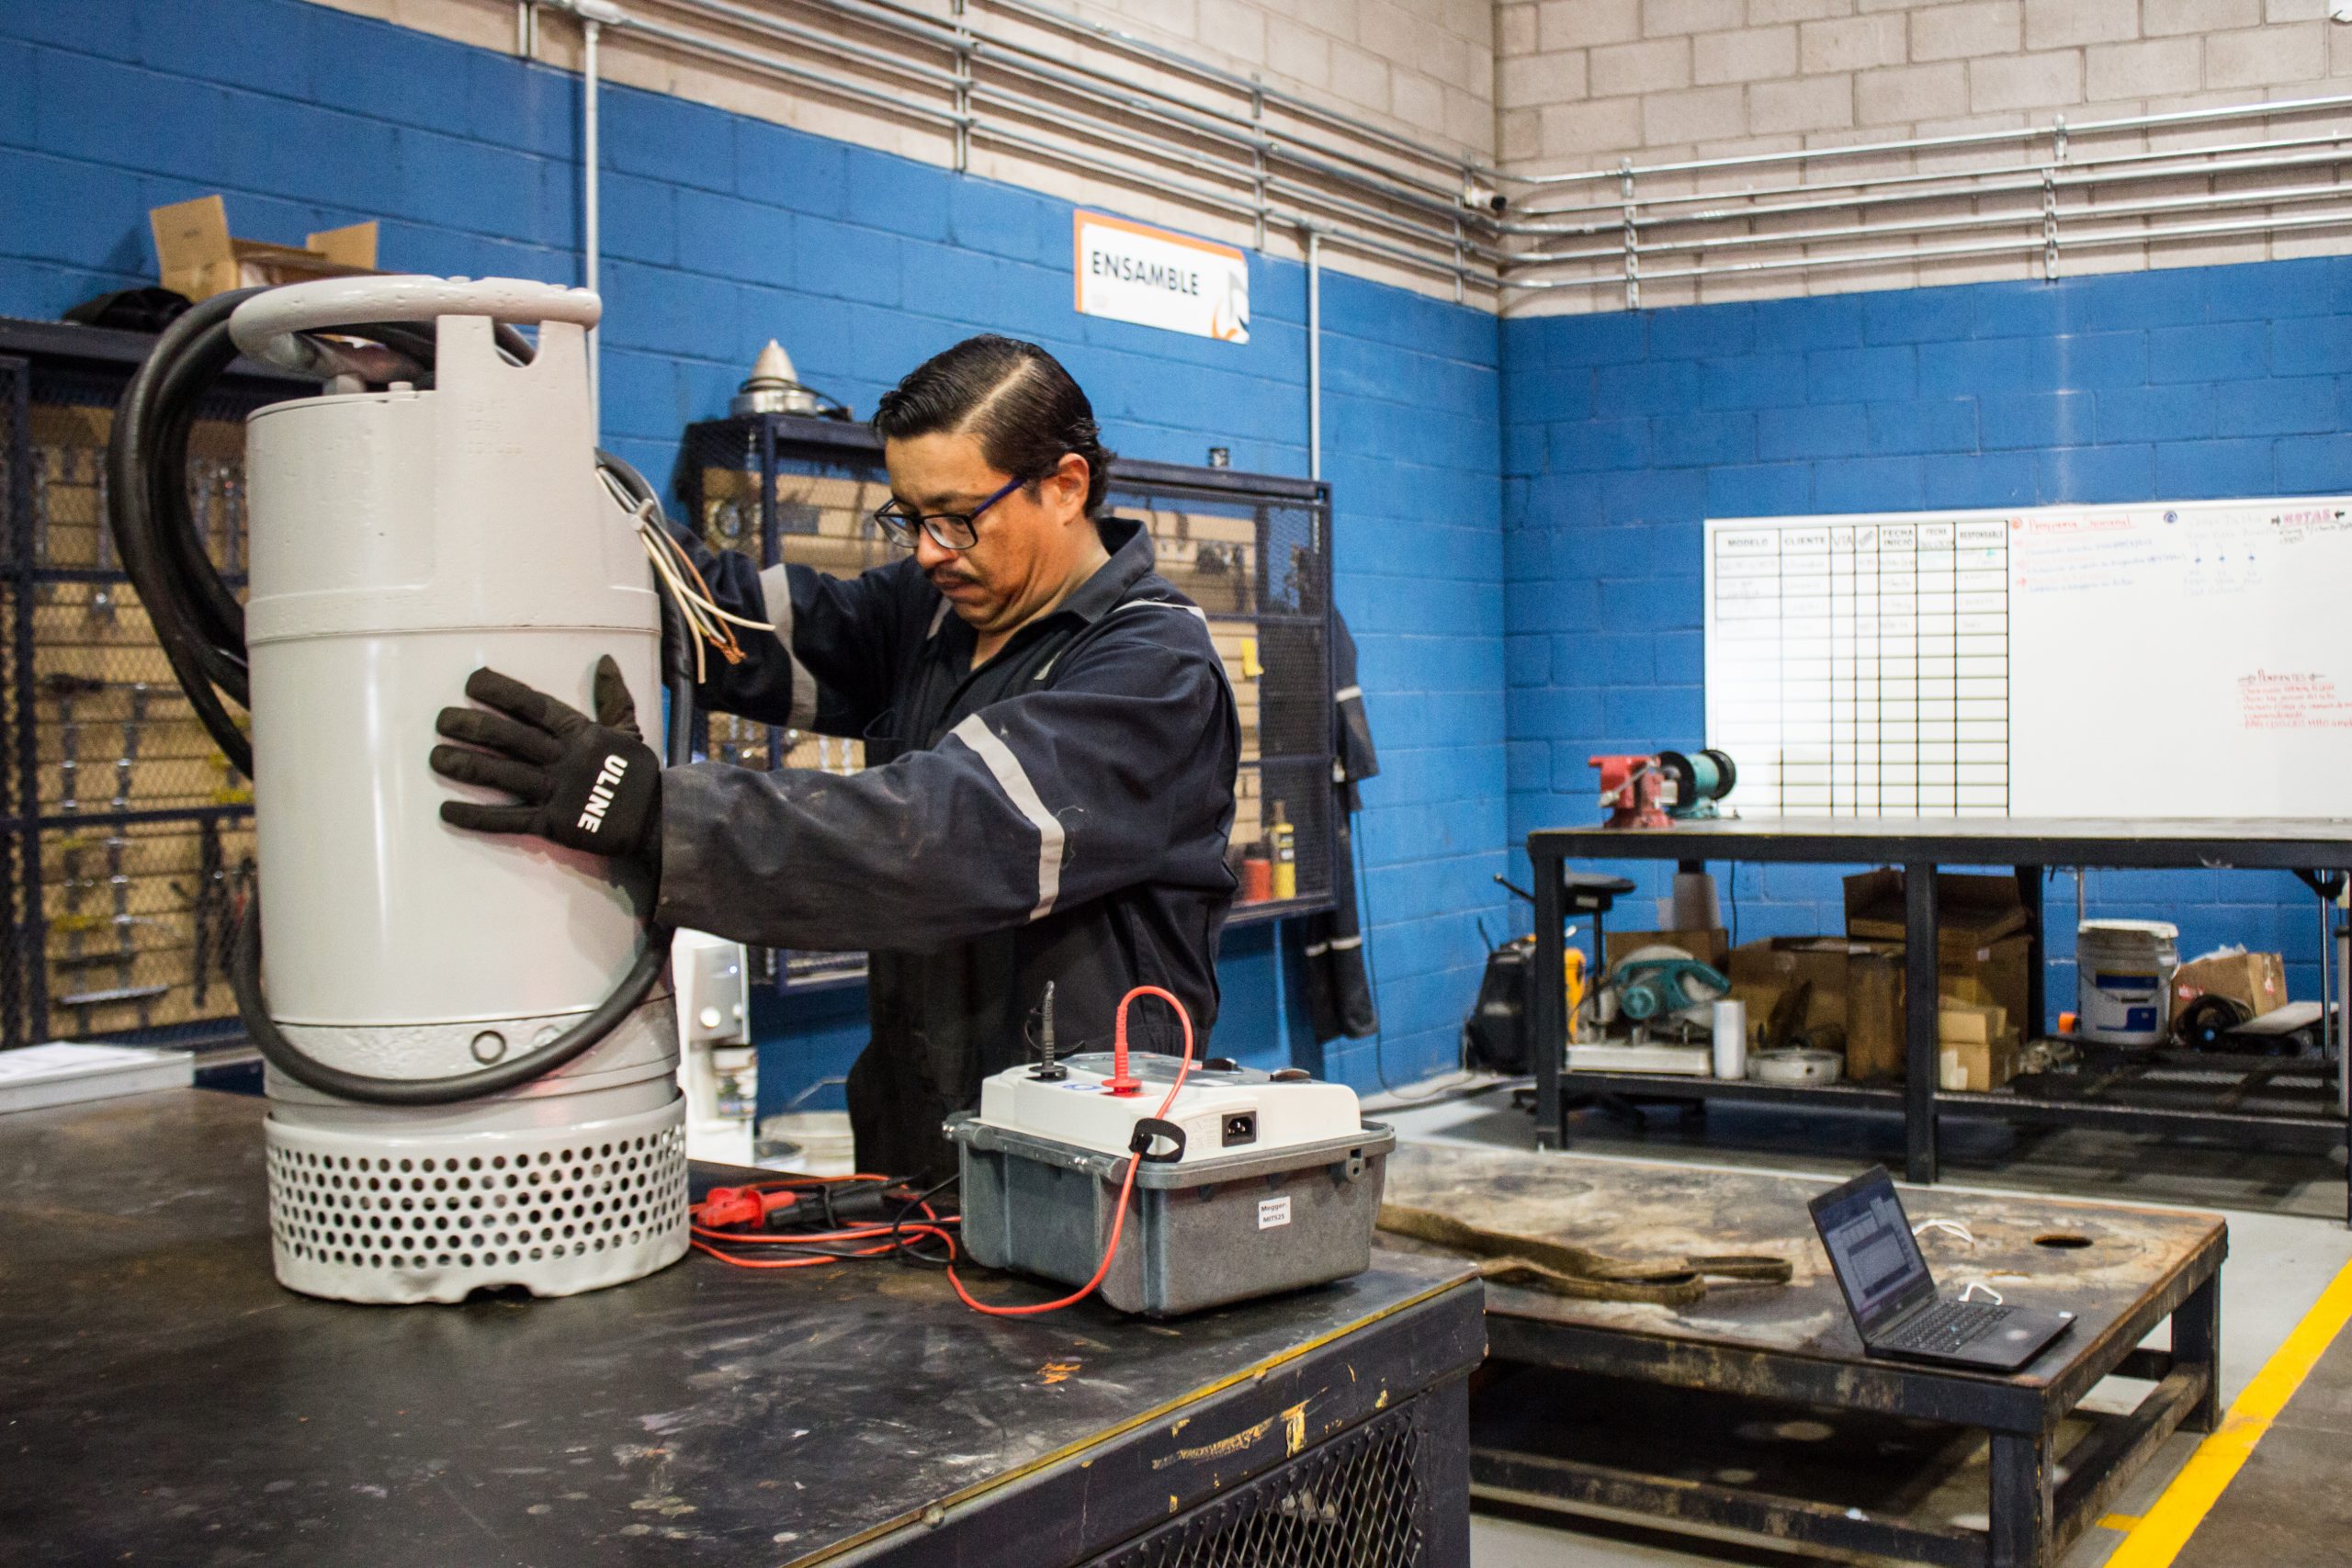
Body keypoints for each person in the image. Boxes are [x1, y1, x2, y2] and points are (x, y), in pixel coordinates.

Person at [425, 335, 1241, 1180]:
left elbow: (940, 839)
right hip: (917, 1136)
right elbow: (734, 627)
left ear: (1065, 486)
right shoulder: (932, 615)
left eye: (957, 516)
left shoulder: (1155, 669)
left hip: (1079, 1164)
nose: (928, 550)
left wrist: (652, 812)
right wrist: (558, 491)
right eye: (910, 516)